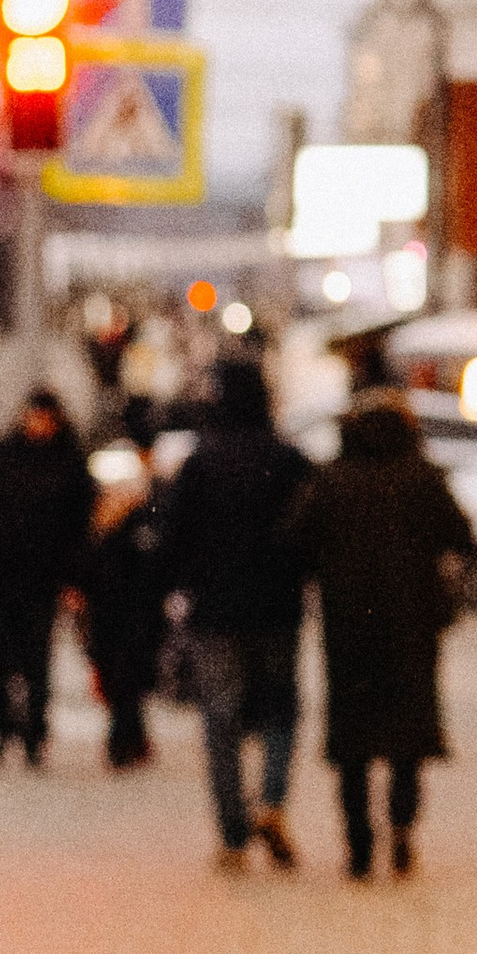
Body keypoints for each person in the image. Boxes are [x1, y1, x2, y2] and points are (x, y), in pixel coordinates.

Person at [294, 389, 475, 877]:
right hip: (411, 628)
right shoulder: (423, 479)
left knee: (352, 740)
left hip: (348, 627)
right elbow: (463, 537)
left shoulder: (332, 479)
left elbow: (296, 542)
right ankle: (401, 830)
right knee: (406, 738)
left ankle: (358, 845)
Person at [161, 354, 314, 870]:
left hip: (215, 610)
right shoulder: (288, 457)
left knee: (220, 718)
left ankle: (231, 832)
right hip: (277, 606)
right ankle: (271, 800)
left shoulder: (201, 459)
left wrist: (176, 589)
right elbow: (308, 531)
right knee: (279, 710)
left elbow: (173, 533)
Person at [0, 386, 95, 764]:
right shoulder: (0, 455)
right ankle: (5, 729)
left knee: (35, 661)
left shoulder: (68, 462)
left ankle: (35, 734)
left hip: (42, 579)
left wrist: (74, 580)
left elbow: (78, 527)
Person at [81, 445, 173, 769]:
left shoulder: (143, 525)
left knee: (127, 680)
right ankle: (131, 739)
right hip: (110, 615)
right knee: (119, 681)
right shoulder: (98, 527)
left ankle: (123, 741)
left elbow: (154, 570)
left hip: (135, 616)